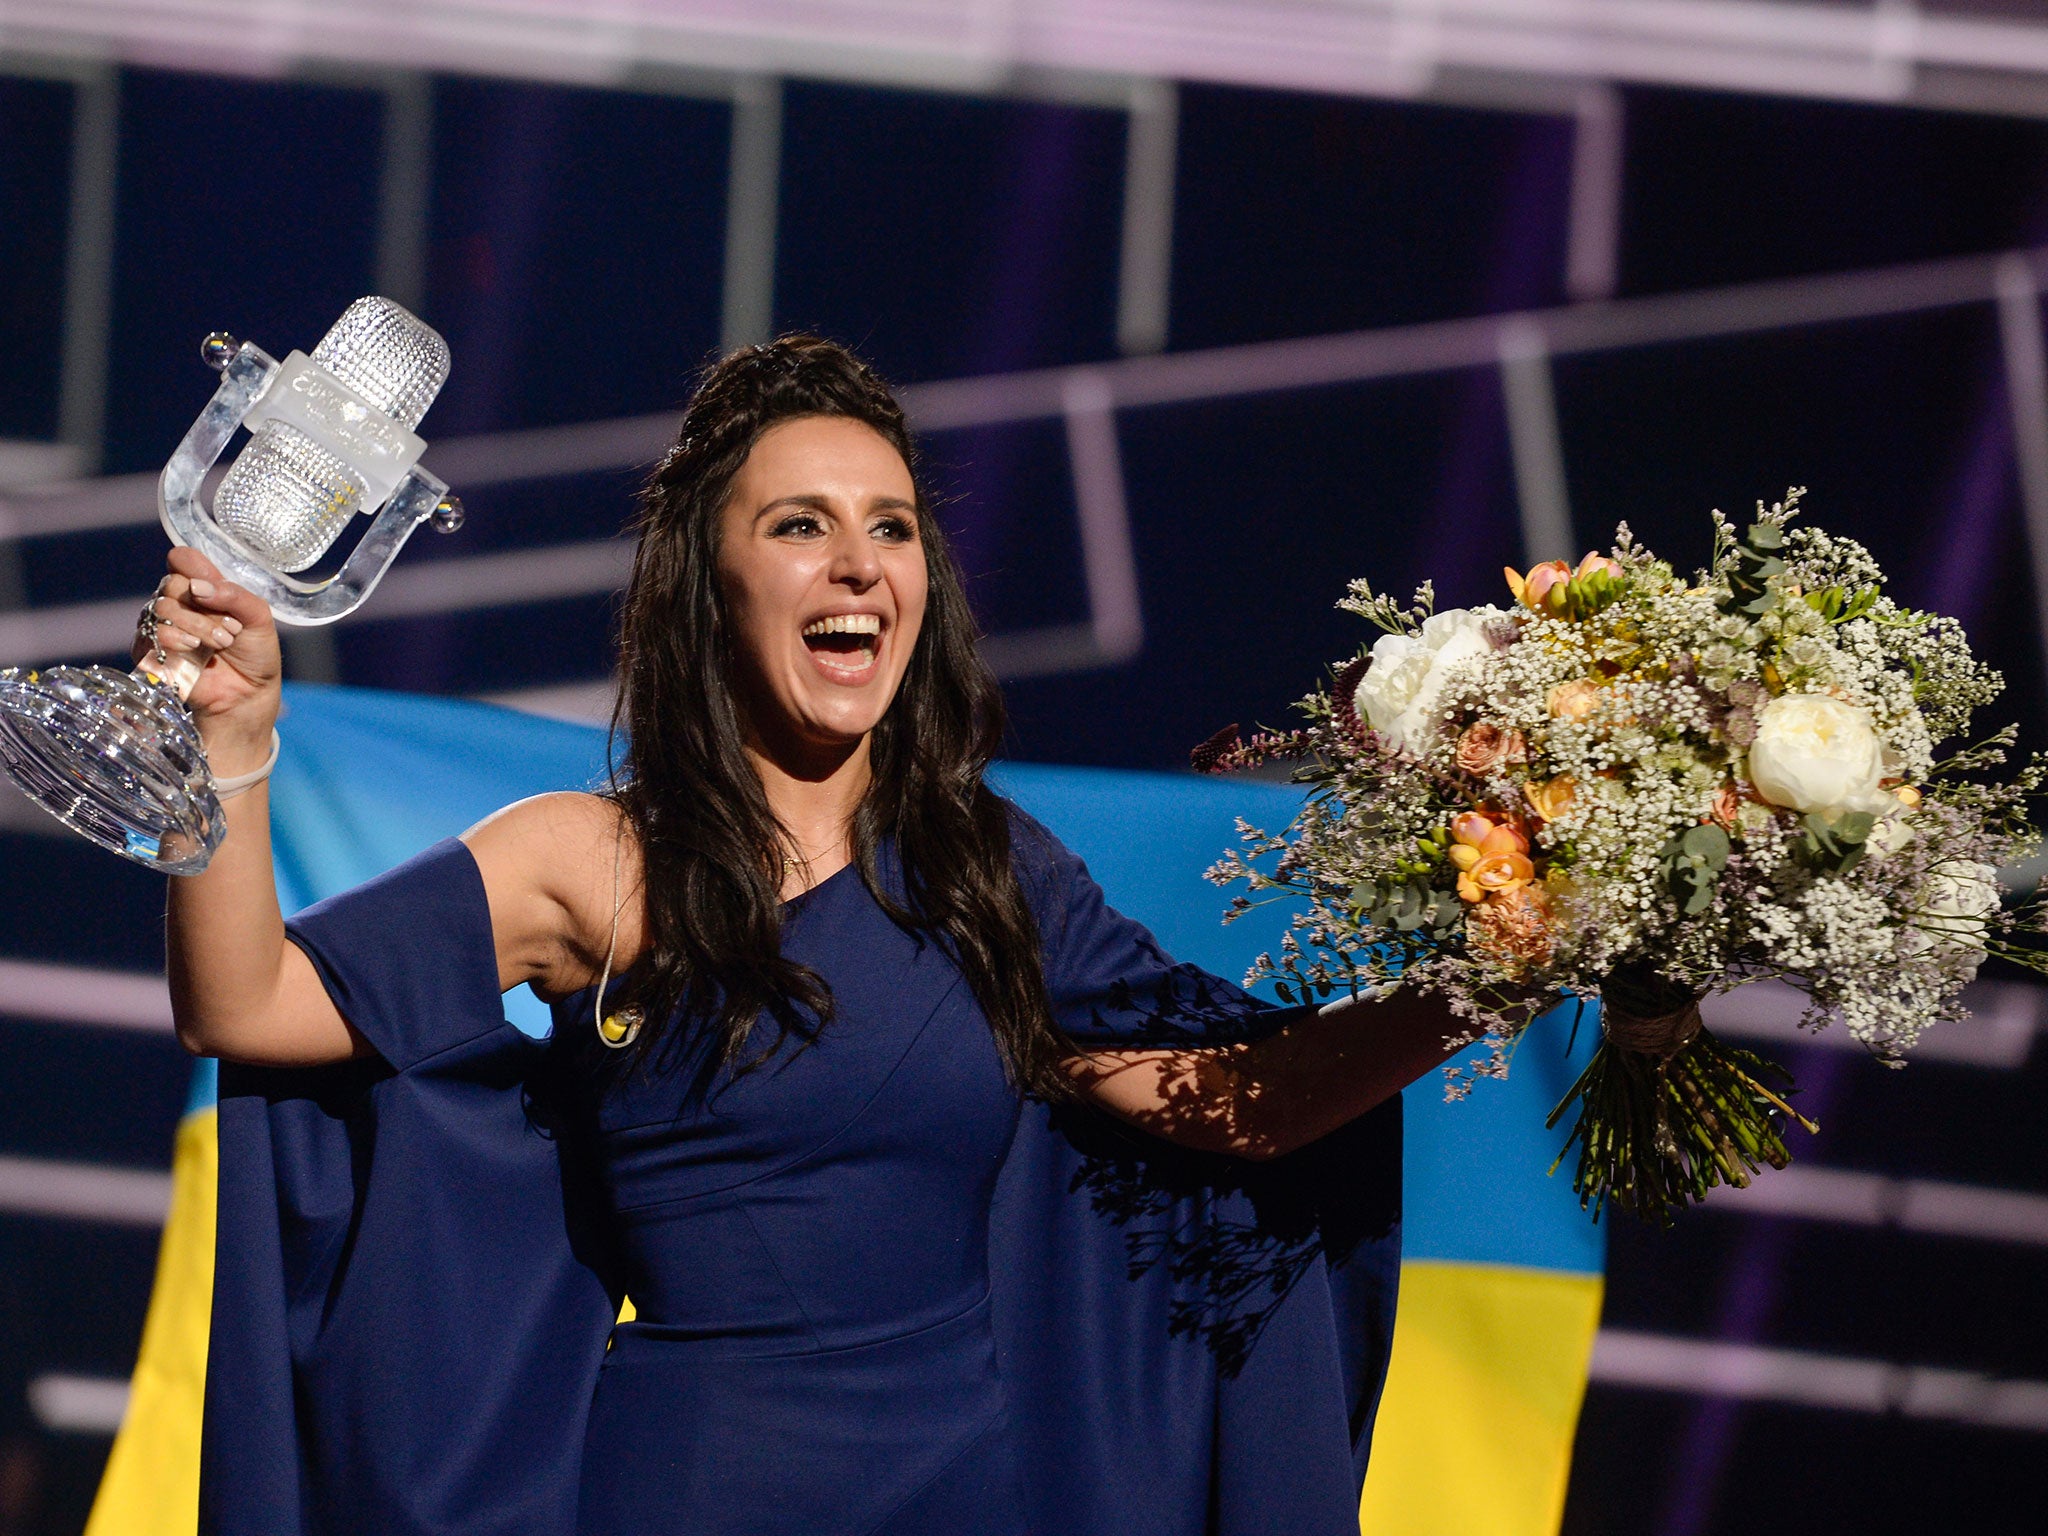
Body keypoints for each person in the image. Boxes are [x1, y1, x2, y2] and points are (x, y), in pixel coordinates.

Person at [148, 336, 1474, 1536]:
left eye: (891, 528)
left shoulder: (993, 876)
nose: (859, 564)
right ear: (705, 585)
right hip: (691, 1490)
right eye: (801, 524)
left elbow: (1245, 1105)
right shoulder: (588, 861)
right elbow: (250, 1005)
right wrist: (230, 748)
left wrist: (1516, 956)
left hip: (971, 1495)